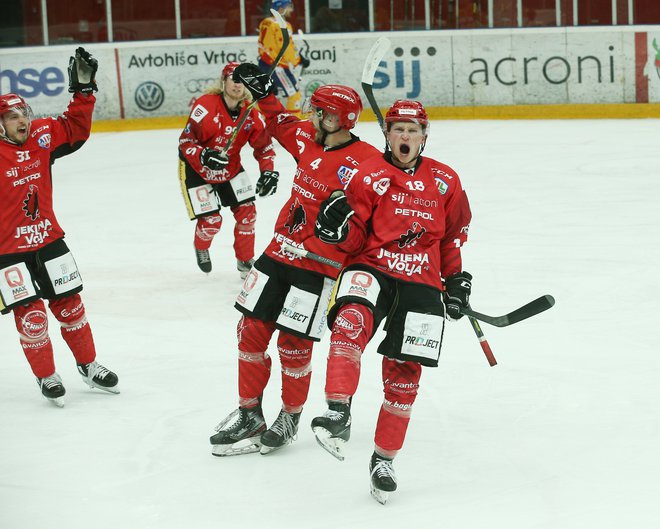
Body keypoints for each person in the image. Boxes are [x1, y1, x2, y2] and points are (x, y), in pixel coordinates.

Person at [208, 63, 381, 457]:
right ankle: (249, 412)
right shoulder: (307, 136)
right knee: (249, 331)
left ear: (342, 119)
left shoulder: (369, 162)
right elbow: (280, 119)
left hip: (320, 266)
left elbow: (378, 215)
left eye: (322, 112)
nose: (314, 116)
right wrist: (266, 91)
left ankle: (290, 417)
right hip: (278, 253)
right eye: (315, 110)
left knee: (294, 344)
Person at [310, 100, 473, 504]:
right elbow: (353, 238)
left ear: (424, 136)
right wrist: (332, 230)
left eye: (412, 130)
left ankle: (384, 459)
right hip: (372, 268)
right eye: (398, 129)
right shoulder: (368, 174)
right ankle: (338, 410)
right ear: (387, 134)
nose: (405, 137)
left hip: (421, 280)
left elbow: (452, 237)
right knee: (349, 321)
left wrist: (455, 281)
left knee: (405, 377)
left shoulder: (446, 180)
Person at [0, 48, 119, 407]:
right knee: (33, 316)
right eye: (11, 116)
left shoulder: (40, 136)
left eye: (24, 113)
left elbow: (75, 128)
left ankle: (88, 365)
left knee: (71, 307)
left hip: (49, 240)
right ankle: (47, 375)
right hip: (7, 251)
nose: (21, 120)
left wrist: (84, 92)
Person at [178, 61, 277, 277]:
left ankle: (244, 260)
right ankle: (202, 247)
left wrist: (268, 171)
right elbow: (185, 142)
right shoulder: (204, 105)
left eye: (242, 81)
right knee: (212, 222)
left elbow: (264, 148)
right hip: (198, 169)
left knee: (248, 213)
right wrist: (204, 154)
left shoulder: (251, 114)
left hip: (230, 169)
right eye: (233, 79)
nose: (237, 85)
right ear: (223, 82)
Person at [257, 0, 310, 115]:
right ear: (281, 8)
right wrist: (298, 60)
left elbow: (273, 45)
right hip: (276, 66)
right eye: (289, 7)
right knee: (294, 94)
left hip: (264, 63)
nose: (291, 10)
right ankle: (293, 125)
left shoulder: (265, 22)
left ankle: (265, 124)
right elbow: (286, 48)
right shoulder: (281, 25)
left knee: (270, 96)